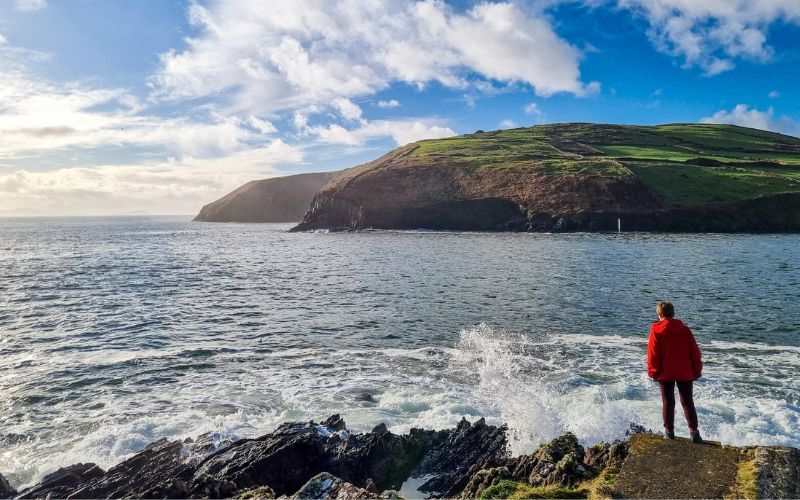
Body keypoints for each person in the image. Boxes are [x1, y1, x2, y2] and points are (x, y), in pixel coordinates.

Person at [647, 301, 703, 443]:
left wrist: (653, 372)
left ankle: (669, 432)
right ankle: (694, 433)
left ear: (660, 314)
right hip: (685, 371)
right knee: (688, 402)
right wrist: (696, 371)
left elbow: (653, 354)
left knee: (668, 402)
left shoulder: (656, 330)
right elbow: (695, 353)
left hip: (665, 373)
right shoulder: (684, 329)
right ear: (673, 313)